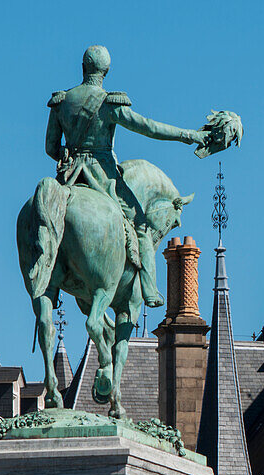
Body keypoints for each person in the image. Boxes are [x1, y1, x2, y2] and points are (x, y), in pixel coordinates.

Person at [45, 45, 208, 307]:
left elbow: (51, 148)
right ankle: (150, 289)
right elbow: (149, 128)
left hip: (69, 176)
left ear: (84, 68)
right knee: (141, 226)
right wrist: (189, 136)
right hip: (103, 177)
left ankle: (51, 287)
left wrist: (67, 154)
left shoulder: (62, 101)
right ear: (106, 71)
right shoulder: (109, 103)